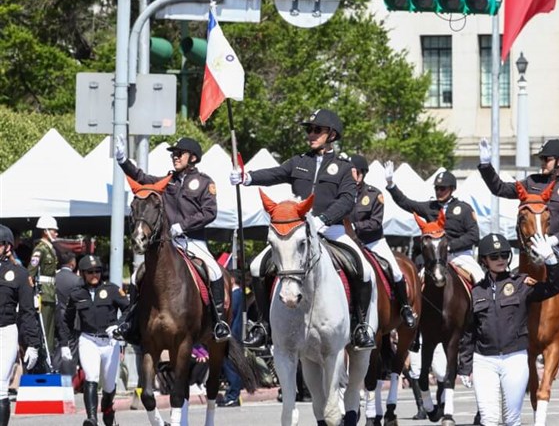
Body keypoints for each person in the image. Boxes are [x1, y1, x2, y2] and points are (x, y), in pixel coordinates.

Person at [230, 108, 377, 350]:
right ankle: (264, 325)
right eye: (309, 129)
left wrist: (324, 219)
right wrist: (247, 177)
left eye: (316, 130)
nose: (311, 134)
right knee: (257, 266)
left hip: (331, 230)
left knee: (364, 270)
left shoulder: (343, 167)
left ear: (331, 134)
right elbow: (275, 173)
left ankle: (361, 325)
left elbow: (347, 199)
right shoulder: (299, 161)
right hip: (300, 231)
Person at [478, 137, 559, 353]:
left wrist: (556, 239)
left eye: (546, 159)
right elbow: (499, 188)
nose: (542, 163)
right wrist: (485, 166)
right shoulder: (531, 182)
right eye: (542, 159)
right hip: (531, 252)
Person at [114, 136, 231, 342]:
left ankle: (218, 322)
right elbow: (141, 177)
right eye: (173, 154)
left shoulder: (204, 182)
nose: (174, 157)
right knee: (135, 276)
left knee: (213, 271)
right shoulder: (166, 181)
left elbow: (209, 212)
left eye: (179, 153)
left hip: (193, 241)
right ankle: (129, 320)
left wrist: (183, 226)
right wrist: (123, 161)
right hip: (167, 243)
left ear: (193, 157)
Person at [465, 233, 559, 426]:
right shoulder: (476, 291)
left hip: (514, 358)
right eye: (494, 256)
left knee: (512, 419)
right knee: (488, 418)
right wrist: (464, 366)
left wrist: (551, 261)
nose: (500, 260)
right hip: (484, 360)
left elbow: (554, 287)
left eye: (504, 255)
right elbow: (469, 332)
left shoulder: (521, 283)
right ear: (484, 260)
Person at [59, 255, 128, 426]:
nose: (94, 274)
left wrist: (119, 326)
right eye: (90, 272)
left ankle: (107, 408)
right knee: (91, 376)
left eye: (97, 270)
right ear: (82, 273)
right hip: (88, 340)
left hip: (110, 342)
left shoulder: (112, 289)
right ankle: (92, 418)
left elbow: (129, 309)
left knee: (109, 386)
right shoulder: (76, 294)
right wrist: (64, 344)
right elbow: (66, 320)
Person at [384, 164, 482, 283]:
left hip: (460, 255)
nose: (439, 192)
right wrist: (391, 184)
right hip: (436, 257)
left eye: (443, 188)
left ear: (452, 189)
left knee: (480, 278)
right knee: (418, 281)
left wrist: (450, 246)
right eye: (437, 188)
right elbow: (405, 202)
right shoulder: (430, 207)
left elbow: (474, 235)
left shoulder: (464, 209)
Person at [349, 154, 416, 327]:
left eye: (354, 172)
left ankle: (405, 307)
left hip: (373, 242)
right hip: (349, 242)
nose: (350, 176)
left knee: (396, 271)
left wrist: (355, 227)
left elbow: (375, 222)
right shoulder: (342, 195)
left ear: (362, 173)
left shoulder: (373, 194)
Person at [0, 224, 40, 426]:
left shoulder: (19, 274)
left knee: (0, 387)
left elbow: (27, 311)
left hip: (5, 332)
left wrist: (33, 344)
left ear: (6, 246)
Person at [28, 215, 59, 360]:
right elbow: (31, 274)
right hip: (43, 293)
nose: (56, 233)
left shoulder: (50, 248)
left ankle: (49, 356)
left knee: (50, 330)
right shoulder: (40, 249)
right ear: (46, 231)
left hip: (50, 292)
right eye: (54, 230)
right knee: (45, 330)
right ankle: (45, 359)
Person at [218, 274, 244, 407]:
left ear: (232, 279)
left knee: (230, 365)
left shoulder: (235, 294)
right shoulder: (239, 293)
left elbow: (231, 313)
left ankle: (233, 395)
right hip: (235, 332)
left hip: (233, 333)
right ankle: (233, 393)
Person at [54, 249, 80, 376]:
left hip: (54, 318)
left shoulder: (53, 278)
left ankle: (54, 373)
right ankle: (68, 380)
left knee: (56, 347)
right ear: (72, 264)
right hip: (71, 319)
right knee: (71, 350)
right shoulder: (77, 280)